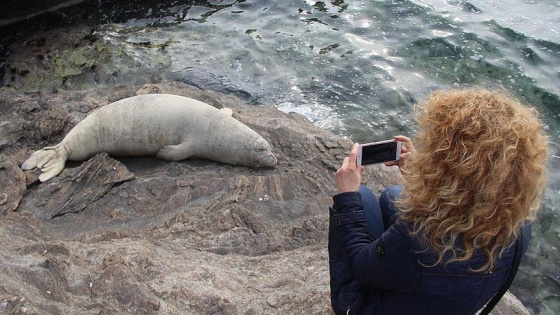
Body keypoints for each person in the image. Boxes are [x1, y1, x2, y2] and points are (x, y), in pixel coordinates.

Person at [328, 88, 549, 314]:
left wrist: (347, 197)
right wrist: (423, 175)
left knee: (362, 197)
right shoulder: (520, 223)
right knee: (392, 196)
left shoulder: (419, 240)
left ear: (448, 164)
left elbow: (358, 266)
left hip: (376, 302)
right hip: (444, 298)